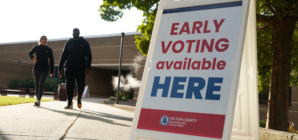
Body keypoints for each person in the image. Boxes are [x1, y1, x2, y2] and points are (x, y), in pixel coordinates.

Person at [58, 28, 92, 109]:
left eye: (76, 31)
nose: (75, 32)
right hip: (70, 66)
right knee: (69, 85)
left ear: (79, 33)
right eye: (74, 31)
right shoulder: (68, 43)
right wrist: (59, 68)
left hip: (81, 67)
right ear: (72, 33)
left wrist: (88, 68)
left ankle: (79, 97)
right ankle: (70, 103)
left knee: (81, 84)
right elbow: (63, 56)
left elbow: (89, 56)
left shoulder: (84, 42)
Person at [28, 35, 54, 107]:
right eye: (44, 39)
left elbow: (51, 60)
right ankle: (37, 100)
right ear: (40, 40)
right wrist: (32, 57)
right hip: (36, 68)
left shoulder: (49, 49)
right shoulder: (36, 47)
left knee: (41, 83)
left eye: (46, 39)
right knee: (37, 84)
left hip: (45, 69)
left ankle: (39, 100)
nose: (45, 40)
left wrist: (52, 71)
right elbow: (30, 53)